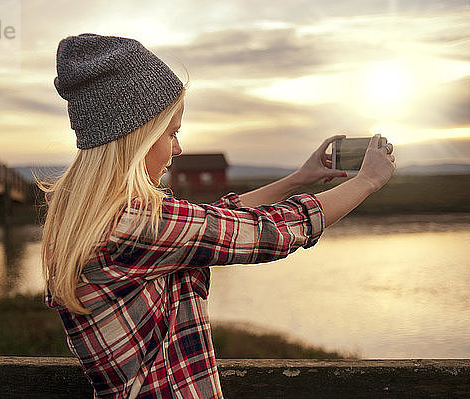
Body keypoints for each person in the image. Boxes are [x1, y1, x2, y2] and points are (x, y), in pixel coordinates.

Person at [39, 33, 395, 398]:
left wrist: (298, 179)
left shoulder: (85, 220)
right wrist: (366, 181)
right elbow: (272, 232)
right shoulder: (135, 223)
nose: (178, 148)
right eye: (172, 133)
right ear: (137, 137)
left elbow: (214, 220)